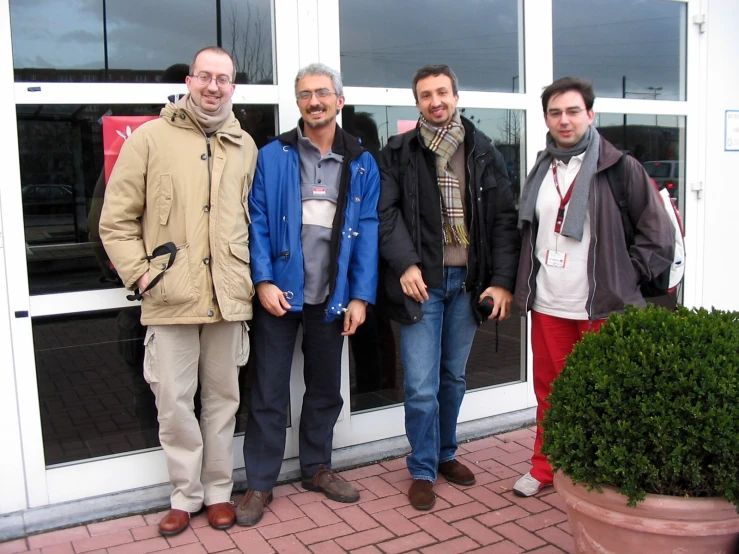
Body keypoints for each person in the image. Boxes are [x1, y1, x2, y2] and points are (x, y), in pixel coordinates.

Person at [99, 46, 257, 535]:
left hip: (227, 298)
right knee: (173, 403)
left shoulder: (244, 145)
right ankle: (183, 495)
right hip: (170, 300)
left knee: (223, 401)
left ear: (233, 86)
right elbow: (115, 222)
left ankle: (217, 493)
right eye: (205, 77)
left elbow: (252, 222)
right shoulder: (149, 139)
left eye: (223, 79)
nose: (213, 87)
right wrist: (142, 275)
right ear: (190, 80)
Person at [513, 76, 675, 497]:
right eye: (555, 113)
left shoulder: (621, 167)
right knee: (550, 391)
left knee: (610, 393)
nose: (563, 121)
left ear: (590, 114)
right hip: (549, 301)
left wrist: (624, 275)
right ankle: (545, 468)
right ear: (546, 118)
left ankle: (606, 473)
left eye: (572, 111)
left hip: (603, 305)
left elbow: (657, 236)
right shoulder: (541, 167)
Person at [236, 63, 380, 527]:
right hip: (280, 295)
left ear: (340, 100)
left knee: (324, 387)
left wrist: (360, 295)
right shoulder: (273, 155)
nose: (314, 101)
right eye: (305, 94)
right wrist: (262, 280)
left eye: (322, 93)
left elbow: (368, 230)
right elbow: (256, 220)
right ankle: (259, 482)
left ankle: (317, 467)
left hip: (332, 296)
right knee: (268, 391)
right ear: (297, 102)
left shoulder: (361, 160)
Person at [378, 64, 520, 510]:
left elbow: (502, 219)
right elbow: (386, 213)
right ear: (416, 102)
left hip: (468, 284)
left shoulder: (483, 150)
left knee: (453, 378)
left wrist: (500, 282)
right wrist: (405, 264)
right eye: (425, 95)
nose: (435, 101)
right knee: (421, 384)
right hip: (423, 284)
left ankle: (445, 453)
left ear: (456, 96)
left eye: (442, 92)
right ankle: (421, 467)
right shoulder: (399, 150)